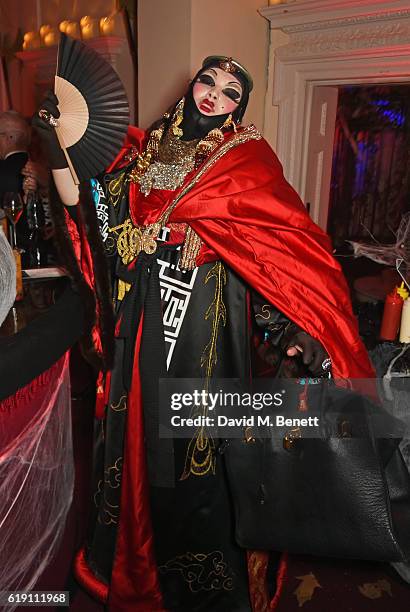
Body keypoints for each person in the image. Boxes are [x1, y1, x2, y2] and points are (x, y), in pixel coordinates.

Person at [33, 56, 375, 611]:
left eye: (231, 91)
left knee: (197, 458)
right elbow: (95, 214)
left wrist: (292, 323)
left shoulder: (246, 161)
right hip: (144, 323)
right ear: (191, 85)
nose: (215, 95)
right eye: (207, 81)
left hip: (203, 330)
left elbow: (272, 249)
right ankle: (135, 564)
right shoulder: (144, 155)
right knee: (139, 447)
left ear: (242, 105)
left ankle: (200, 587)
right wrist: (57, 152)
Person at [0, 111, 53, 265]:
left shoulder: (44, 173)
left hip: (11, 260)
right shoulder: (46, 172)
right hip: (49, 258)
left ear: (8, 138)